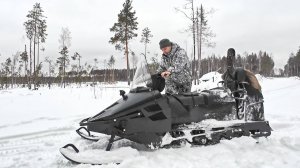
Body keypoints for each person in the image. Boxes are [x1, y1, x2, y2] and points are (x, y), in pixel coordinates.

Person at [222, 48, 265, 121]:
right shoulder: (229, 74)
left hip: (247, 101)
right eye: (229, 57)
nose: (229, 59)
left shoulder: (240, 74)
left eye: (230, 57)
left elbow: (240, 85)